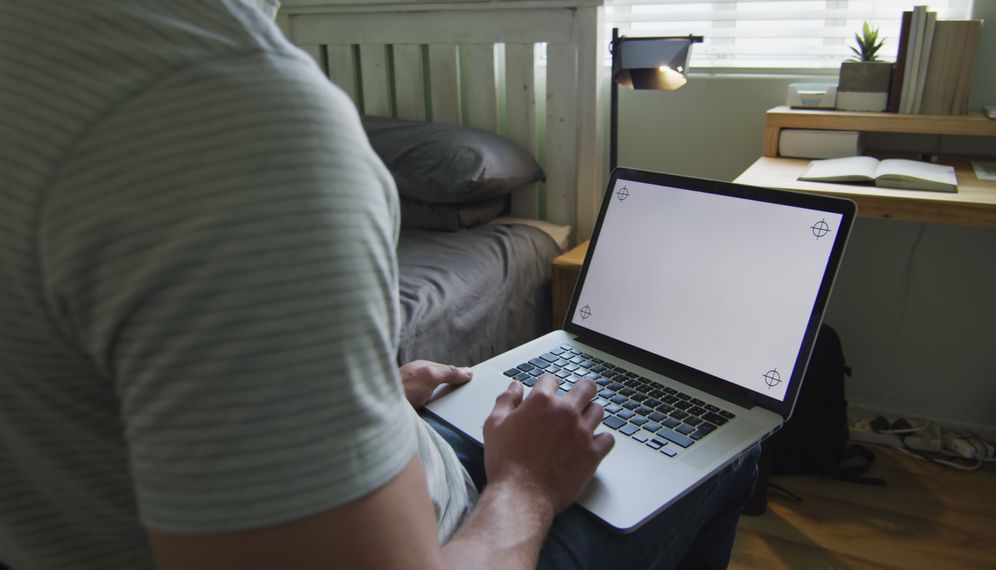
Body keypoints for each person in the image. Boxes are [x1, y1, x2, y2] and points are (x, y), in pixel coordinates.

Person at [0, 1, 758, 568]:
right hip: (463, 528)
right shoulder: (241, 119)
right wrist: (526, 483)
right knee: (732, 451)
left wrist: (349, 400)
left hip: (409, 458)